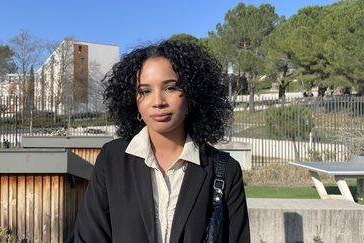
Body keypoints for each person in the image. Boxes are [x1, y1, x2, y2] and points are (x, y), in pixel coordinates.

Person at [75, 40, 250, 243]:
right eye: (145, 91)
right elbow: (90, 237)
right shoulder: (112, 159)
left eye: (170, 88)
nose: (158, 102)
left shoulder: (226, 169)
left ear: (193, 94)